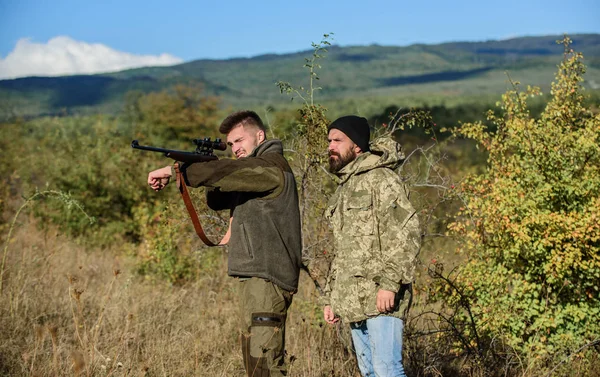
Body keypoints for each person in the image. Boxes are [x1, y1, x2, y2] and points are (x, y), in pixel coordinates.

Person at [147, 110, 302, 377]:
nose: (235, 149)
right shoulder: (251, 173)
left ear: (260, 135)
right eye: (230, 145)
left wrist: (175, 171)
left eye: (240, 141)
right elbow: (217, 200)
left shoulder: (271, 167)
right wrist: (203, 165)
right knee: (254, 365)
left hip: (267, 276)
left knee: (266, 365)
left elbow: (229, 171)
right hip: (253, 276)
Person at [321, 115, 421, 377]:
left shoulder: (382, 179)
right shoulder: (344, 187)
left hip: (381, 295)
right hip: (353, 298)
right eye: (329, 140)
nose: (331, 146)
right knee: (369, 372)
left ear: (357, 146)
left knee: (387, 370)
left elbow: (406, 233)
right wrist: (331, 297)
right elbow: (343, 250)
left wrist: (389, 284)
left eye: (338, 140)